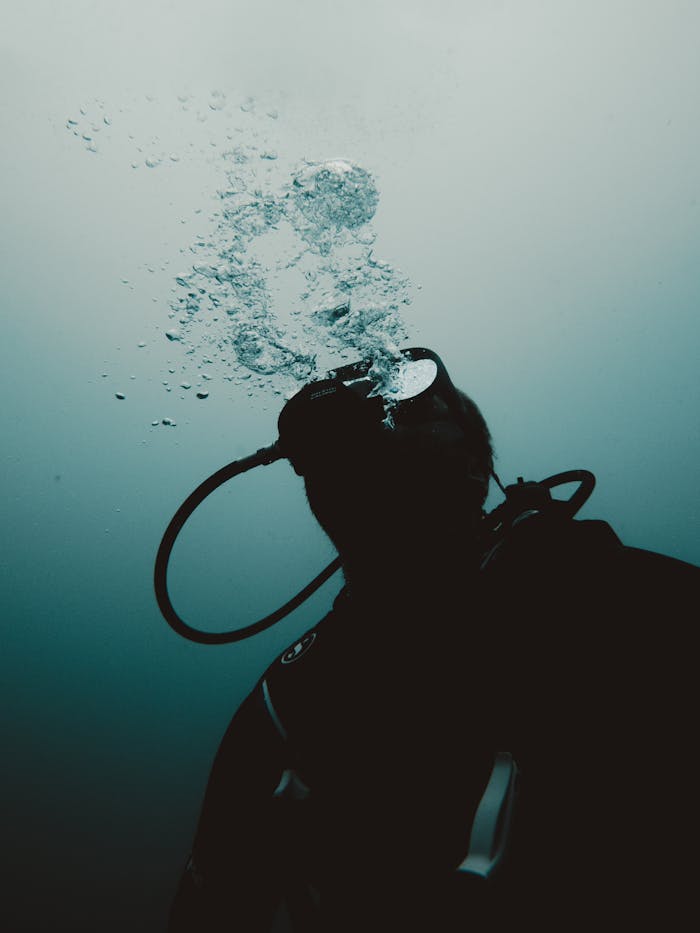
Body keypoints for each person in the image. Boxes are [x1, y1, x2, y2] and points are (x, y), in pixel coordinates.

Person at [166, 348, 698, 931]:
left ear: (474, 463)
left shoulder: (610, 596)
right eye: (336, 447)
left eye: (409, 413)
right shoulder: (291, 702)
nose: (375, 438)